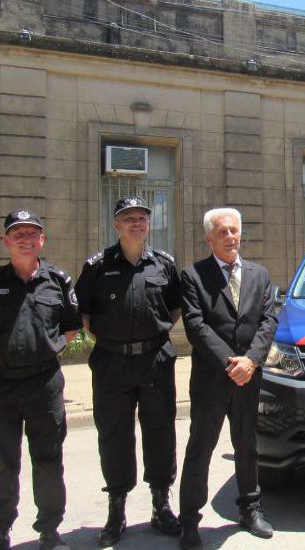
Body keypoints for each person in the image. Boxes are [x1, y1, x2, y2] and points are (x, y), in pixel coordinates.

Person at [0, 209, 81, 550]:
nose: (26, 239)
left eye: (32, 234)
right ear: (6, 241)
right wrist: (2, 354)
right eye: (18, 234)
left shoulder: (59, 282)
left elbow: (71, 328)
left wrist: (46, 350)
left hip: (43, 386)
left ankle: (50, 531)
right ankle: (0, 531)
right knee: (2, 462)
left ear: (42, 240)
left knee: (48, 460)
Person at [75, 197, 183, 546]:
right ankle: (116, 508)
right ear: (116, 225)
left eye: (142, 218)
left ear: (148, 225)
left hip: (154, 359)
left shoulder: (164, 264)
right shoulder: (96, 266)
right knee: (114, 435)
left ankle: (160, 504)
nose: (137, 223)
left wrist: (149, 334)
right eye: (129, 218)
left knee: (160, 430)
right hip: (111, 362)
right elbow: (85, 315)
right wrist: (117, 339)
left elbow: (176, 307)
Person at [178, 208, 279, 550]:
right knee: (200, 449)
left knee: (247, 446)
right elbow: (196, 326)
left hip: (248, 379)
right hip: (211, 381)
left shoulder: (259, 275)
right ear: (209, 238)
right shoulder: (193, 275)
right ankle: (189, 520)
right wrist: (230, 363)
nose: (232, 237)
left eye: (235, 231)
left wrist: (250, 362)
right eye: (223, 232)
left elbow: (268, 322)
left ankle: (250, 509)